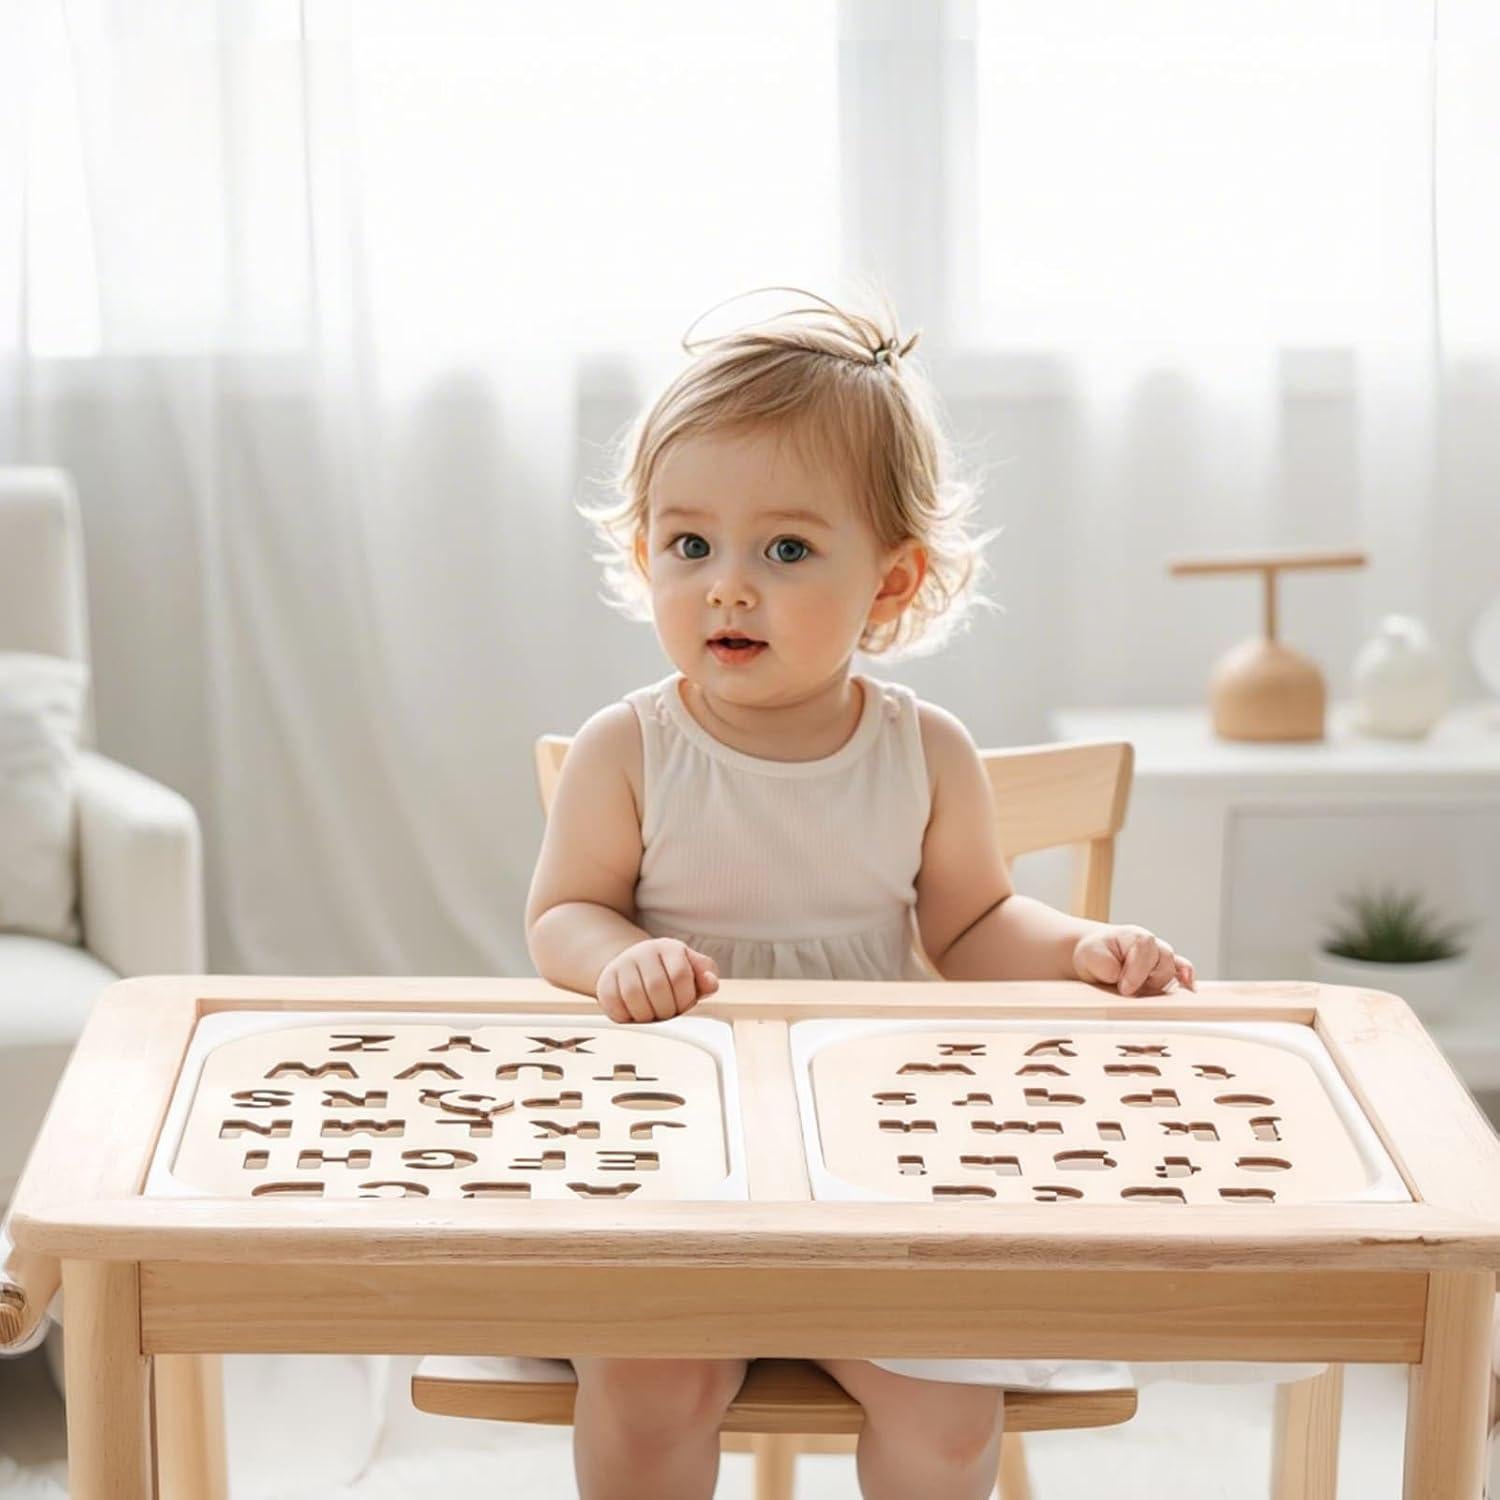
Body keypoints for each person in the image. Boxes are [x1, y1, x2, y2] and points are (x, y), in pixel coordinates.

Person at [525, 286, 1196, 1500]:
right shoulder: (628, 749)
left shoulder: (922, 749)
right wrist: (614, 956)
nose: (729, 586)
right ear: (645, 556)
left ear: (892, 582)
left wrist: (1080, 947)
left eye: (785, 550)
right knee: (649, 1388)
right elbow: (561, 913)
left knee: (947, 1408)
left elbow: (977, 925)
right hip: (683, 1128)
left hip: (869, 1137)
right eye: (691, 546)